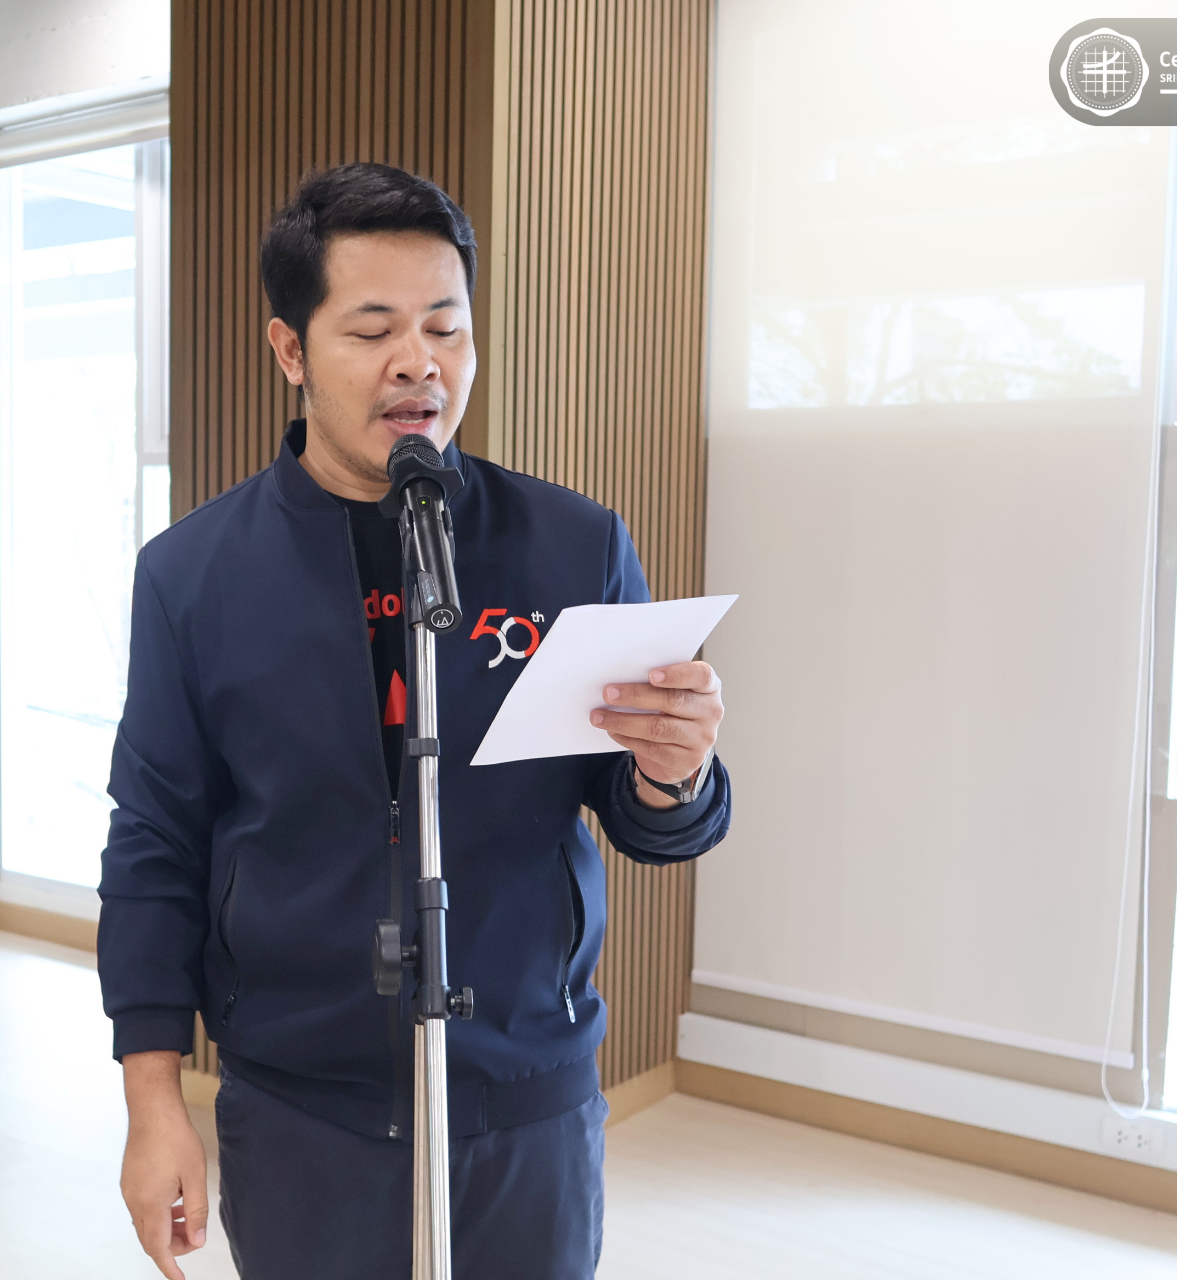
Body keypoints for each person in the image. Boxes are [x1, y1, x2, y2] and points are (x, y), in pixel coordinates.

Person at [99, 162, 731, 1280]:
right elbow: (156, 839)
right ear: (291, 349)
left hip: (526, 1096)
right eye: (373, 329)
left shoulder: (572, 545)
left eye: (446, 326)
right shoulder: (192, 575)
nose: (419, 361)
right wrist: (153, 1101)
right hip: (300, 1107)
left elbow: (649, 818)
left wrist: (674, 773)